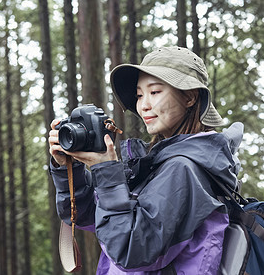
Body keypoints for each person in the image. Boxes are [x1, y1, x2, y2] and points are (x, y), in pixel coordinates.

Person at [48, 46, 243, 274]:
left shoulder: (185, 168)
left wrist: (107, 172)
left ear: (190, 97)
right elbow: (91, 217)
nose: (144, 105)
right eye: (140, 94)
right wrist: (68, 170)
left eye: (155, 92)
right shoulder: (158, 164)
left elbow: (131, 250)